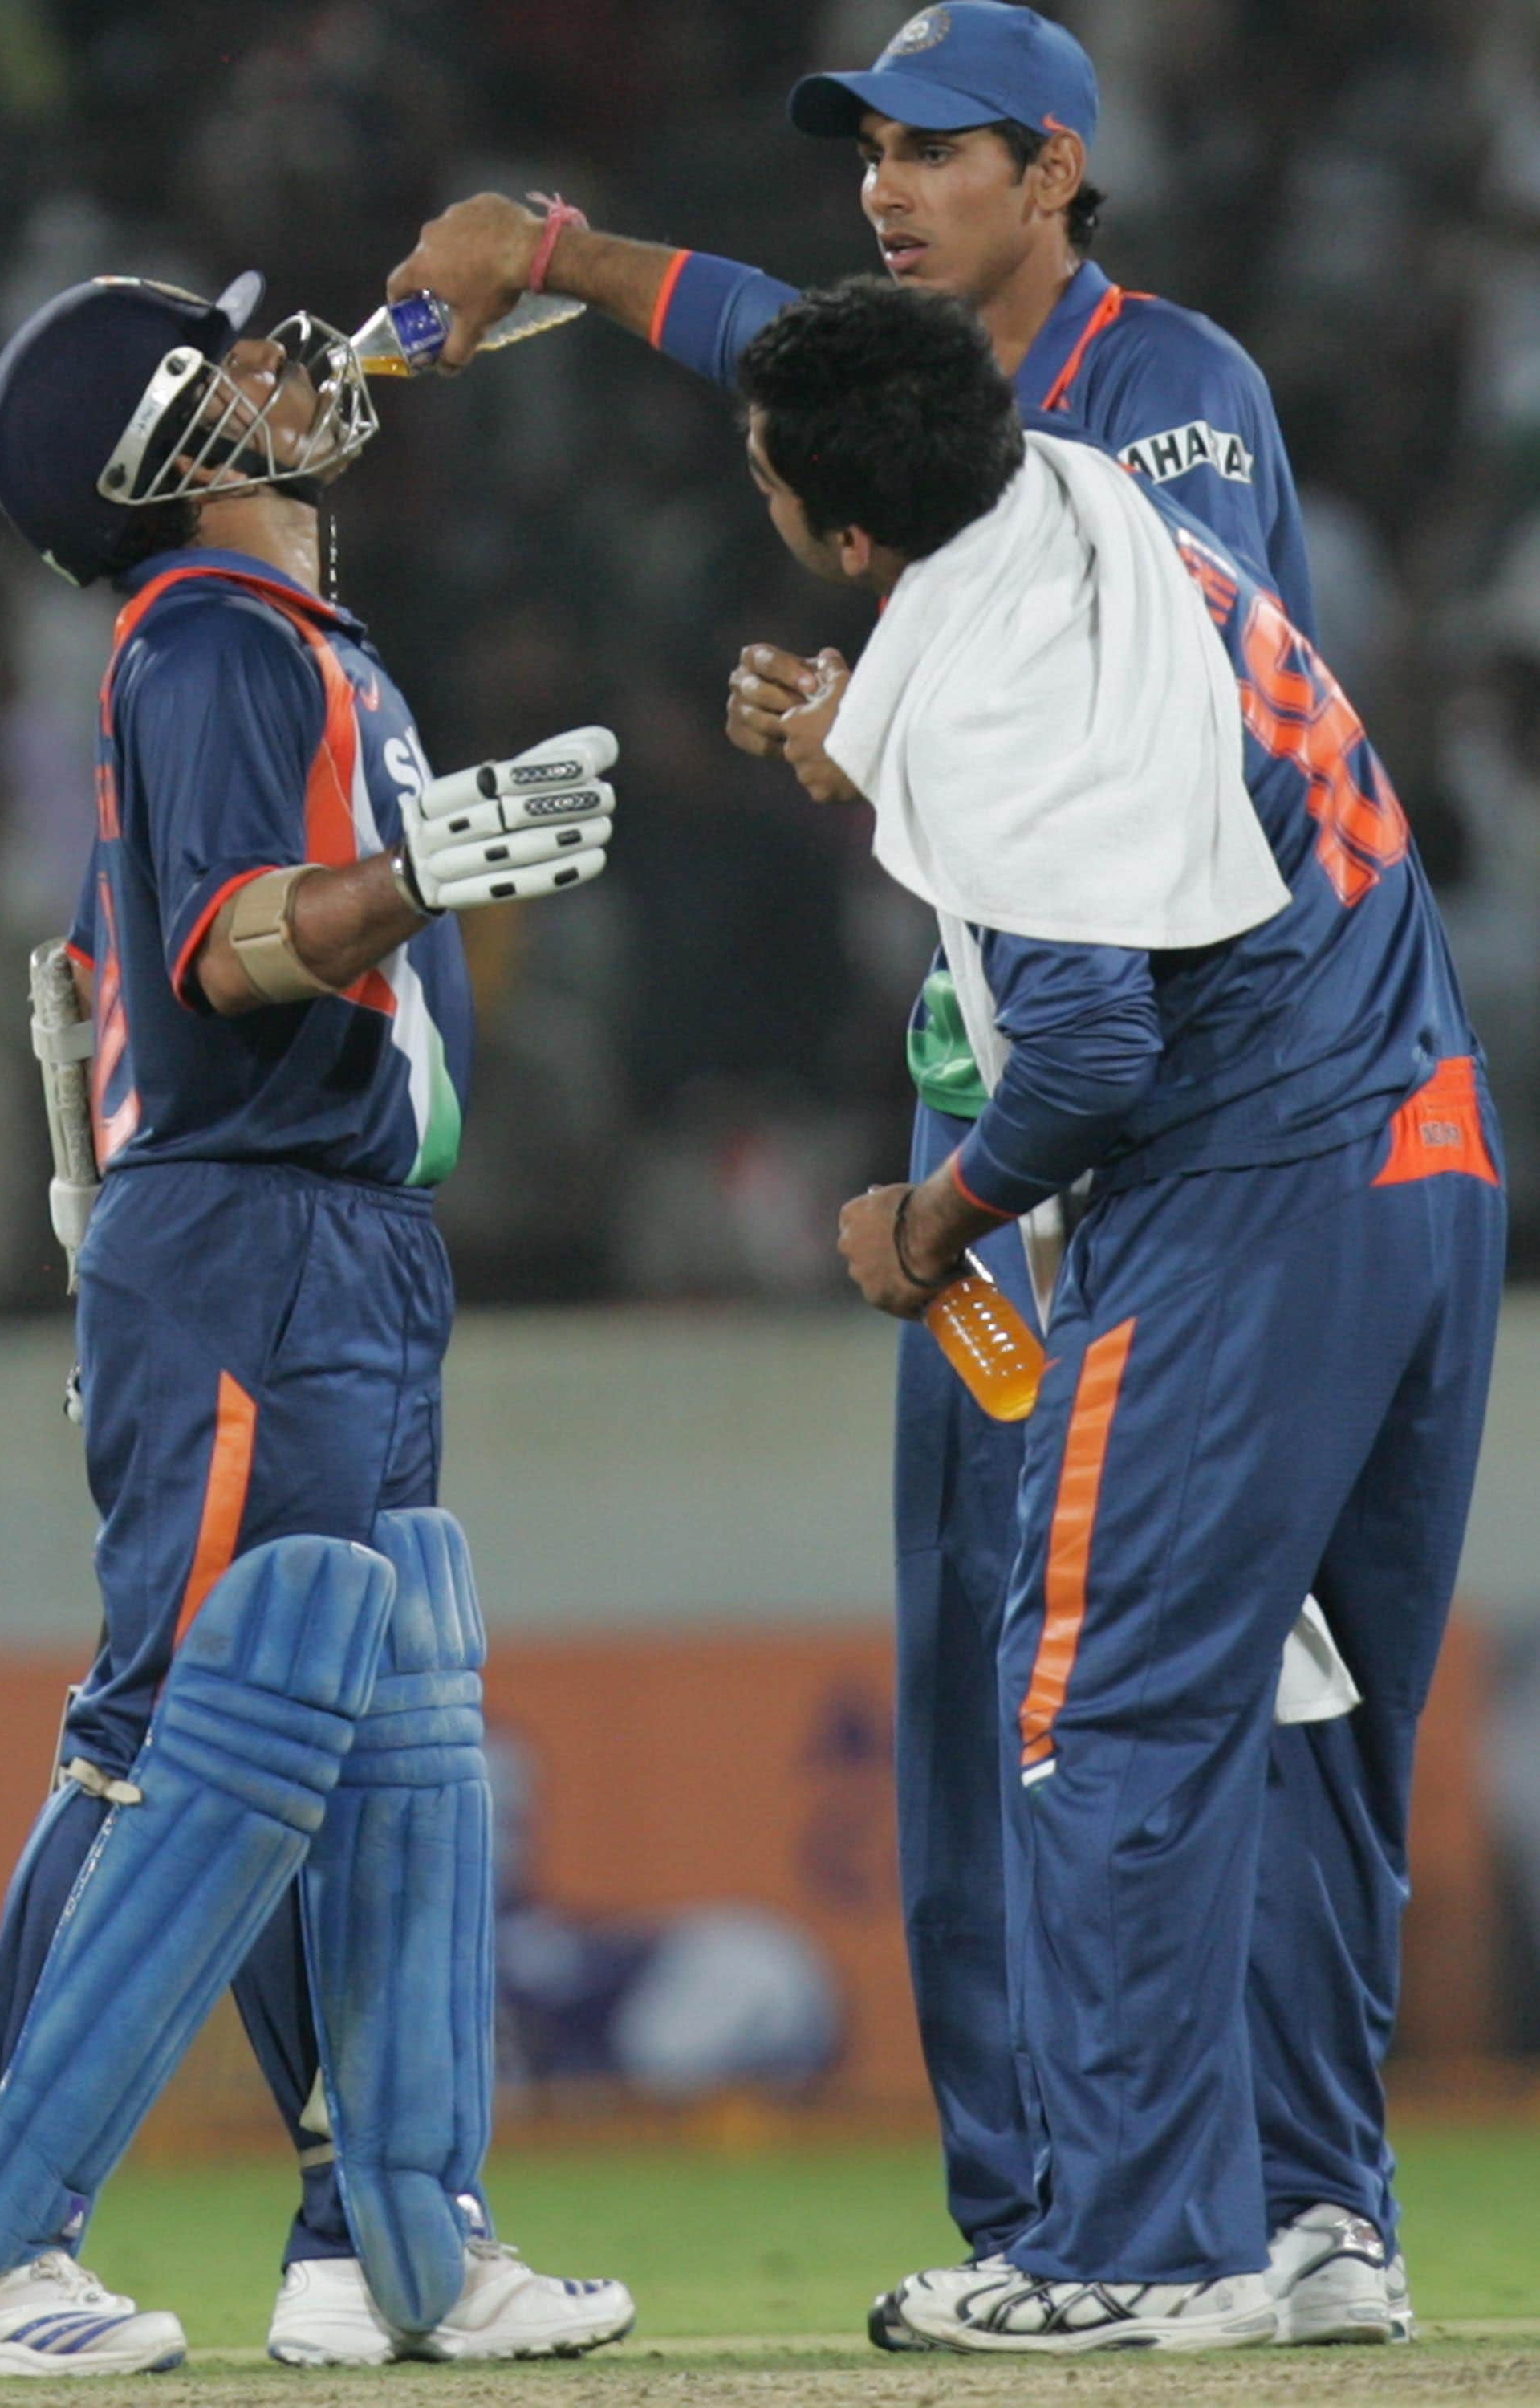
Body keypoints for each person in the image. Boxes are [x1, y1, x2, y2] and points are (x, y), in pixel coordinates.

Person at [385, 0, 1406, 2346]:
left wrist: (883, 736)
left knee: (1241, 1657)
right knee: (1001, 1669)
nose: (884, 179)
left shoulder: (1179, 398)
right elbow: (726, 318)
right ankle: (1051, 2203)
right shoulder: (885, 380)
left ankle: (1306, 2193)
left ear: (1058, 171)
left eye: (936, 149)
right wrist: (541, 240)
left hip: (1171, 1118)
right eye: (863, 144)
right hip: (1006, 1090)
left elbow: (1195, 738)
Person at [0, 270, 636, 2376]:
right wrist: (423, 871)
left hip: (348, 1236)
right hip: (242, 1240)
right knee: (170, 1734)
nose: (292, 372)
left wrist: (464, 295)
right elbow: (223, 950)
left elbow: (384, 348)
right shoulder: (209, 635)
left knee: (368, 1736)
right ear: (159, 457)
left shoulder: (286, 627)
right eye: (237, 369)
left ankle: (382, 2238)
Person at [737, 273, 1502, 2354]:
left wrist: (934, 1215)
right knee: (1319, 1711)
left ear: (846, 536)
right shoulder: (1096, 494)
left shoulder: (983, 673)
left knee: (1100, 1712)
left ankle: (1135, 2250)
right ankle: (1326, 2218)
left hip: (1252, 1199)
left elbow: (1080, 1058)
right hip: (1433, 1150)